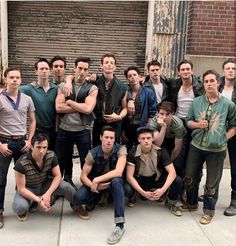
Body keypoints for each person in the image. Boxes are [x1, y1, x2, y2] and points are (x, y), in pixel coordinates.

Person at [180, 69, 236, 224]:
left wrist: (224, 138)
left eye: (212, 81)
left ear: (218, 83)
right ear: (203, 84)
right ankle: (191, 204)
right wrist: (197, 124)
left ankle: (208, 212)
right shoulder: (196, 102)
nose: (209, 84)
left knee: (212, 182)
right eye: (206, 81)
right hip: (196, 146)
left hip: (216, 150)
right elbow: (188, 121)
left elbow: (234, 126)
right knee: (190, 177)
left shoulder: (228, 104)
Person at [12, 133, 87, 221]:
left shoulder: (51, 155)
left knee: (67, 187)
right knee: (19, 207)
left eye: (44, 147)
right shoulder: (21, 163)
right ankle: (31, 202)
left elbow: (58, 176)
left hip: (44, 184)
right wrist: (39, 200)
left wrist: (48, 194)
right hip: (28, 188)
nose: (42, 151)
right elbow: (21, 189)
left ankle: (77, 206)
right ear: (32, 147)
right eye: (38, 147)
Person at [73, 126, 127, 245]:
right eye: (106, 137)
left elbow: (118, 172)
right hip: (97, 186)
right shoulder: (93, 153)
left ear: (114, 139)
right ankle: (98, 198)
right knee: (77, 198)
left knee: (117, 181)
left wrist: (97, 179)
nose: (109, 140)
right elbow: (83, 176)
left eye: (111, 138)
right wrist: (93, 185)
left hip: (113, 184)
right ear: (101, 137)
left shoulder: (121, 150)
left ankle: (120, 225)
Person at [0, 67, 36, 229]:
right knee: (1, 179)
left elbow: (33, 120)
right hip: (4, 142)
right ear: (5, 79)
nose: (15, 80)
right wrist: (0, 145)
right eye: (12, 77)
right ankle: (0, 211)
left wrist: (29, 140)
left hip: (22, 143)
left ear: (21, 80)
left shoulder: (27, 99)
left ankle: (20, 206)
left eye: (17, 77)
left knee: (22, 178)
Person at [55, 57, 98, 185]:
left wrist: (69, 102)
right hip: (65, 129)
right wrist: (79, 106)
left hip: (82, 130)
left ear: (88, 72)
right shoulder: (63, 85)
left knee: (86, 160)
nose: (82, 71)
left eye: (85, 69)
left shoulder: (92, 88)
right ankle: (60, 185)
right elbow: (59, 107)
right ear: (74, 68)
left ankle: (87, 185)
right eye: (80, 68)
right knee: (60, 159)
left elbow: (88, 109)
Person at [125, 126, 182, 216]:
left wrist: (163, 190)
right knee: (127, 188)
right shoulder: (132, 152)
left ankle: (171, 202)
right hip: (140, 179)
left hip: (155, 178)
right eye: (143, 138)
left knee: (177, 180)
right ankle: (134, 195)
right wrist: (142, 192)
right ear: (138, 140)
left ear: (152, 139)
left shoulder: (161, 151)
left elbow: (172, 172)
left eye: (148, 138)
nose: (146, 141)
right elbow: (129, 176)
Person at [168, 59, 204, 179]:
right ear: (179, 72)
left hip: (194, 124)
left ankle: (192, 186)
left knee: (194, 156)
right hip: (179, 124)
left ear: (192, 71)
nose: (185, 71)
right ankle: (180, 185)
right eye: (183, 69)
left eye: (188, 69)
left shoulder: (200, 86)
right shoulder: (174, 85)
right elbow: (161, 79)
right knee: (179, 155)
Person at [20, 58, 58, 151]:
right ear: (36, 72)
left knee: (53, 157)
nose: (44, 71)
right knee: (38, 156)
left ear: (50, 71)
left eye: (46, 69)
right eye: (41, 69)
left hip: (54, 130)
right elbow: (11, 89)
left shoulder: (56, 88)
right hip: (38, 130)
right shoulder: (28, 89)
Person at [122, 66, 157, 150]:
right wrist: (122, 130)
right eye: (130, 76)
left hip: (142, 126)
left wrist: (148, 129)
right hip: (128, 127)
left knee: (142, 150)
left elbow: (152, 112)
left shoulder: (148, 92)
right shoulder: (125, 92)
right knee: (129, 150)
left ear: (139, 77)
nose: (132, 77)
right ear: (127, 79)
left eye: (134, 75)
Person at [219, 58, 236, 216]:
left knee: (235, 167)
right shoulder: (218, 85)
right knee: (215, 162)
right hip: (217, 130)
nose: (231, 71)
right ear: (223, 71)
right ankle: (211, 192)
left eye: (233, 68)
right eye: (228, 68)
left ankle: (235, 200)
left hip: (234, 132)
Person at [149, 101, 187, 170]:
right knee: (160, 158)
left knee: (177, 164)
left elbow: (177, 148)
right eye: (162, 114)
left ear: (172, 114)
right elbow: (158, 143)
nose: (164, 117)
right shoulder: (153, 122)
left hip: (178, 138)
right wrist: (163, 127)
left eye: (167, 114)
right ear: (157, 113)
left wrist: (170, 162)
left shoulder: (178, 125)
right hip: (164, 137)